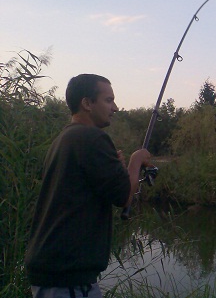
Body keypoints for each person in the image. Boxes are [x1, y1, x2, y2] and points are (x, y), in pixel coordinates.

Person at [25, 74, 152, 298]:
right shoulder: (92, 137)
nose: (115, 107)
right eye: (108, 100)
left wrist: (118, 168)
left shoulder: (65, 138)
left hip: (55, 273)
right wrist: (136, 160)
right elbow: (123, 196)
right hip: (67, 278)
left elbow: (90, 188)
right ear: (87, 103)